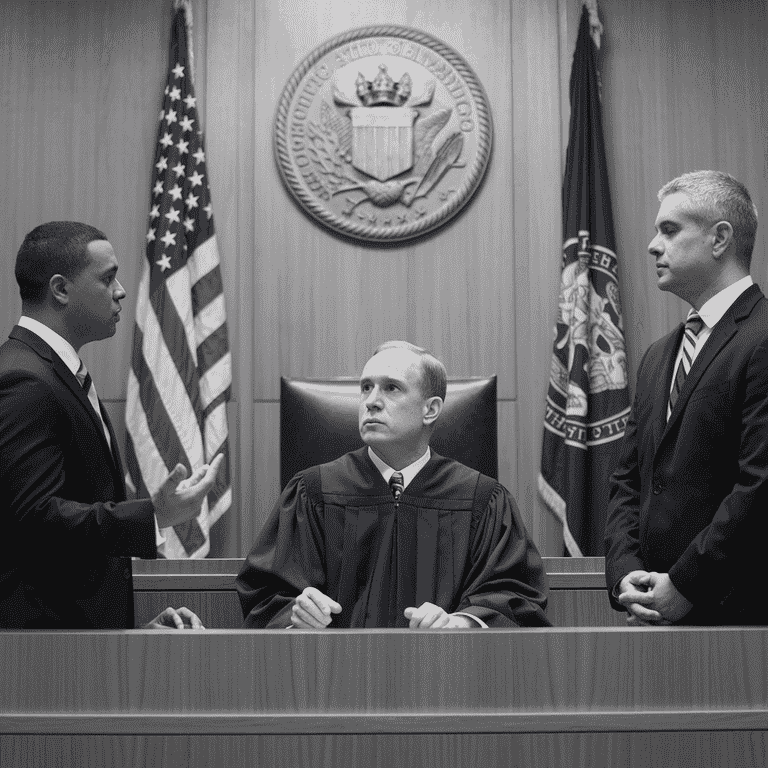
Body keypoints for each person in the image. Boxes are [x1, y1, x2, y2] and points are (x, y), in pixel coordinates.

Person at [0, 221, 223, 629]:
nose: (121, 291)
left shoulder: (53, 372)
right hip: (38, 657)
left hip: (77, 645)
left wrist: (125, 635)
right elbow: (36, 518)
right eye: (107, 279)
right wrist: (152, 514)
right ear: (61, 289)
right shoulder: (25, 380)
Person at [237, 341, 550, 629]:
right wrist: (297, 615)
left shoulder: (482, 499)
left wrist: (463, 623)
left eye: (391, 388)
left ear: (431, 409)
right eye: (366, 388)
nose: (371, 401)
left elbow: (514, 594)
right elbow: (266, 595)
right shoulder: (313, 492)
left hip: (449, 677)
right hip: (332, 678)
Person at [604, 170, 766, 626]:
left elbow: (760, 483)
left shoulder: (763, 336)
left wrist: (689, 583)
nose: (654, 245)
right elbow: (628, 480)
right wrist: (626, 575)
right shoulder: (658, 355)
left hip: (741, 619)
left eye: (670, 230)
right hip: (653, 612)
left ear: (720, 239)